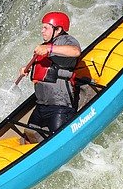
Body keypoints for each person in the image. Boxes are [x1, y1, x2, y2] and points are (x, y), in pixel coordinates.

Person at [20, 11, 81, 139]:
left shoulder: (66, 40)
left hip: (60, 107)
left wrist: (49, 49)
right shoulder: (44, 46)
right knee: (28, 137)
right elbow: (43, 68)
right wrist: (26, 69)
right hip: (41, 105)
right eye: (42, 28)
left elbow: (75, 51)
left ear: (58, 29)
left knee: (58, 139)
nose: (42, 31)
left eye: (46, 28)